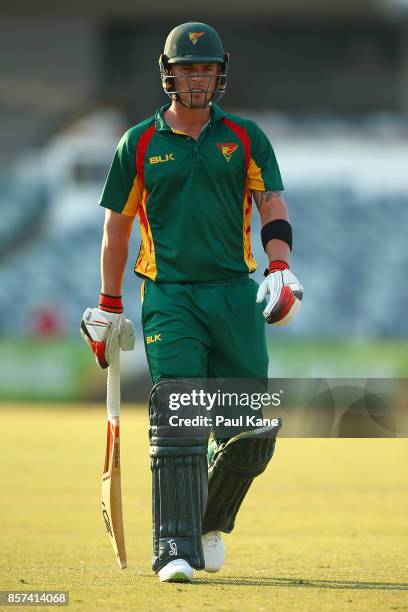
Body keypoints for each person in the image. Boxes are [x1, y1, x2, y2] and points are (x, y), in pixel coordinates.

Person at [81, 21, 303, 584]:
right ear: (168, 74)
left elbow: (271, 204)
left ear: (220, 75)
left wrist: (279, 265)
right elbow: (116, 230)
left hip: (235, 292)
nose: (197, 78)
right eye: (187, 69)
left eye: (206, 69)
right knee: (183, 417)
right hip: (170, 296)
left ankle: (206, 519)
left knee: (253, 431)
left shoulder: (246, 136)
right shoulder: (139, 142)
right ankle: (172, 549)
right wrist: (108, 305)